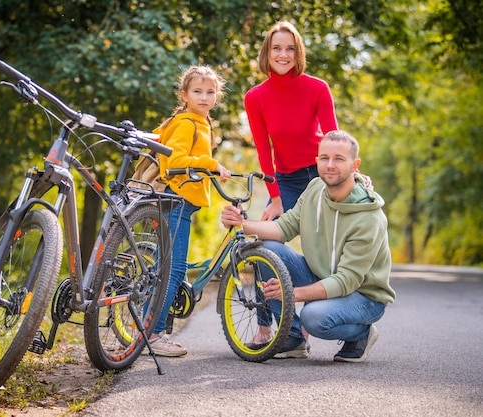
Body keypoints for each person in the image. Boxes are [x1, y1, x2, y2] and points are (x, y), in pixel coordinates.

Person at [221, 130, 395, 362]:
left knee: (313, 318)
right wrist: (241, 224)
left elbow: (346, 280)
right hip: (320, 275)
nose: (330, 165)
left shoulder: (368, 218)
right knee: (266, 248)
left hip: (363, 294)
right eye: (324, 158)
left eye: (339, 159)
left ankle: (362, 333)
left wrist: (291, 293)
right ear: (317, 161)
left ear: (355, 165)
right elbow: (283, 228)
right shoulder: (314, 189)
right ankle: (293, 338)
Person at [150, 65, 232, 357]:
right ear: (184, 95)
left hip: (183, 202)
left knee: (171, 268)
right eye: (197, 91)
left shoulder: (202, 122)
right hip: (176, 200)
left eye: (210, 92)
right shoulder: (187, 122)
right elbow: (174, 161)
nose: (205, 97)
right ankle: (154, 335)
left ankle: (149, 329)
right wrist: (212, 165)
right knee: (173, 270)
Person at [244, 20, 338, 220]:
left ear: (298, 53)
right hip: (287, 180)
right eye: (276, 48)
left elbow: (334, 140)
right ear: (267, 53)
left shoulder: (318, 88)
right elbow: (264, 153)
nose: (283, 55)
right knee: (267, 242)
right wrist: (275, 199)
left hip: (322, 174)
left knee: (324, 242)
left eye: (290, 49)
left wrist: (351, 174)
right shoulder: (255, 98)